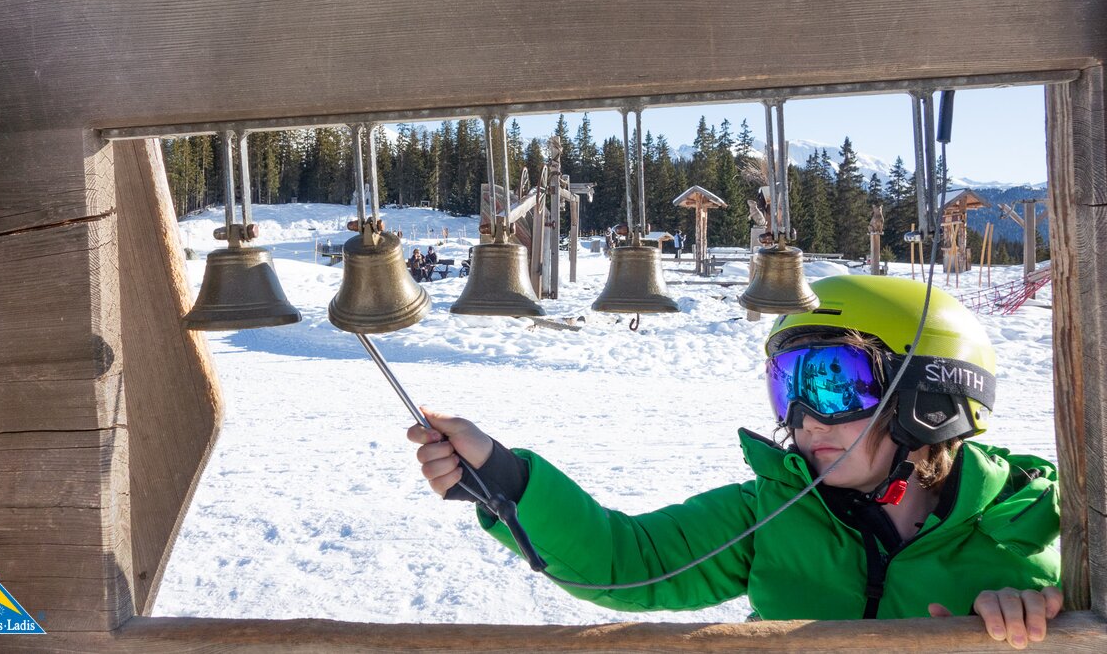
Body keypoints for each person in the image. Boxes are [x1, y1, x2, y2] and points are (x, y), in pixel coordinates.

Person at [408, 275, 1061, 648]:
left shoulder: (1037, 528)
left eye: (834, 383)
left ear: (929, 397)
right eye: (787, 386)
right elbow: (625, 561)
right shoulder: (771, 513)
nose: (804, 416)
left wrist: (1035, 622)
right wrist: (501, 478)